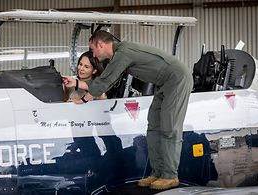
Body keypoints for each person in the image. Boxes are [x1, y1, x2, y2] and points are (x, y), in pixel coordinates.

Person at [62, 30, 193, 190]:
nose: (93, 54)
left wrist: (82, 99)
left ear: (100, 44)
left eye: (93, 49)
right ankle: (158, 172)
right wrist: (75, 84)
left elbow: (105, 82)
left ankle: (170, 175)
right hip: (163, 83)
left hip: (176, 79)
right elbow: (106, 80)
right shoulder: (119, 54)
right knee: (153, 126)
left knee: (169, 127)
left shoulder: (123, 53)